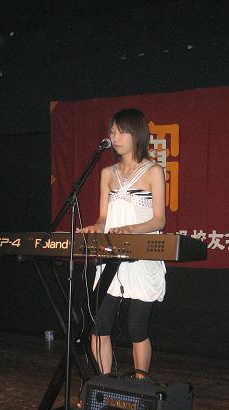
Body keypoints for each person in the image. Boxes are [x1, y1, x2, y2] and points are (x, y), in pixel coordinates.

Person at [77, 108, 166, 378]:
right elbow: (104, 217)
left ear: (136, 134)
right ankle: (102, 384)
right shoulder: (108, 173)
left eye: (121, 132)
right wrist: (96, 227)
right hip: (111, 256)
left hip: (142, 257)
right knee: (99, 326)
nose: (114, 137)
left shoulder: (153, 171)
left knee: (137, 328)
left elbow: (159, 220)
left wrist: (131, 230)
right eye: (112, 132)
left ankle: (140, 385)